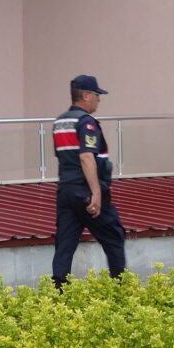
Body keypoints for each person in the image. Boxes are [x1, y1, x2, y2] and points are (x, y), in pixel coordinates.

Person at [51, 74, 127, 289]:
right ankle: (122, 289)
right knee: (114, 237)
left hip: (66, 191)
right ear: (85, 96)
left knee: (65, 245)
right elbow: (86, 157)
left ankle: (58, 294)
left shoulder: (60, 122)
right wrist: (96, 193)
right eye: (96, 95)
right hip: (85, 192)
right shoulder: (86, 123)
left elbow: (63, 156)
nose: (98, 99)